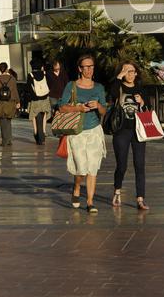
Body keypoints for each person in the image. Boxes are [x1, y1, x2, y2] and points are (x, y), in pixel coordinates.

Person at [58, 54, 107, 213]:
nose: (89, 70)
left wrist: (98, 105)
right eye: (85, 67)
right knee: (81, 168)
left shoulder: (99, 87)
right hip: (76, 131)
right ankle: (77, 186)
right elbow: (61, 107)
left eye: (91, 66)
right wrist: (78, 108)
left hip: (94, 131)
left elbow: (104, 111)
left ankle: (90, 202)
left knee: (92, 168)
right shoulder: (71, 86)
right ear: (79, 69)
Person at [109, 61, 149, 210]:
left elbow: (148, 109)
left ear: (136, 73)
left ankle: (140, 198)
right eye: (126, 71)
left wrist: (142, 102)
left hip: (138, 131)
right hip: (121, 131)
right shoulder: (118, 87)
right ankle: (117, 190)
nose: (130, 74)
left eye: (132, 71)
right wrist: (119, 76)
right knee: (122, 165)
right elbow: (112, 94)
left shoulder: (141, 89)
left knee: (140, 165)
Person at [0, 63, 20, 147]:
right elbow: (15, 91)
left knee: (2, 122)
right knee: (9, 121)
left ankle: (4, 140)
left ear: (0, 69)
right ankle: (9, 139)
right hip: (11, 102)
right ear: (6, 69)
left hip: (1, 102)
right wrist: (18, 102)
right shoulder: (12, 78)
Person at [27, 60, 52, 146]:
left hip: (35, 99)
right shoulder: (45, 73)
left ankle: (35, 132)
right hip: (45, 98)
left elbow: (28, 87)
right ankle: (44, 131)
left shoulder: (30, 75)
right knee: (44, 114)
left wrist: (31, 97)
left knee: (34, 115)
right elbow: (50, 83)